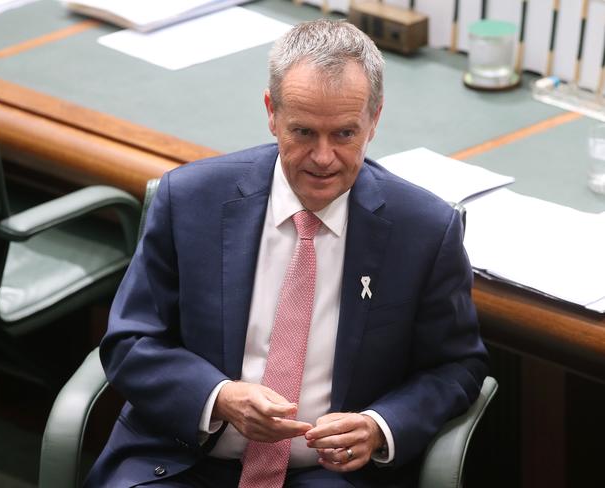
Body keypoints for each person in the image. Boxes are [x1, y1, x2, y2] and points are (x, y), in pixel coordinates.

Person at [85, 19, 488, 488]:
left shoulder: (424, 230)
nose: (323, 158)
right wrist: (219, 398)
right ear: (271, 112)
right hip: (179, 461)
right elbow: (131, 341)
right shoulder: (192, 199)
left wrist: (380, 427)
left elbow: (458, 366)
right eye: (303, 132)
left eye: (343, 134)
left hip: (329, 476)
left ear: (374, 119)